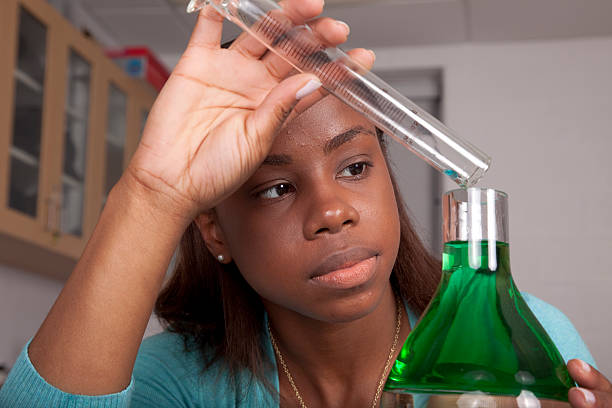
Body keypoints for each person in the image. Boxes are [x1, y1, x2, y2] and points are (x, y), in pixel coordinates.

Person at [0, 0, 610, 407]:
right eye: (275, 188)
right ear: (214, 232)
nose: (333, 212)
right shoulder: (172, 381)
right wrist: (153, 193)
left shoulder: (521, 337)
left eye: (354, 166)